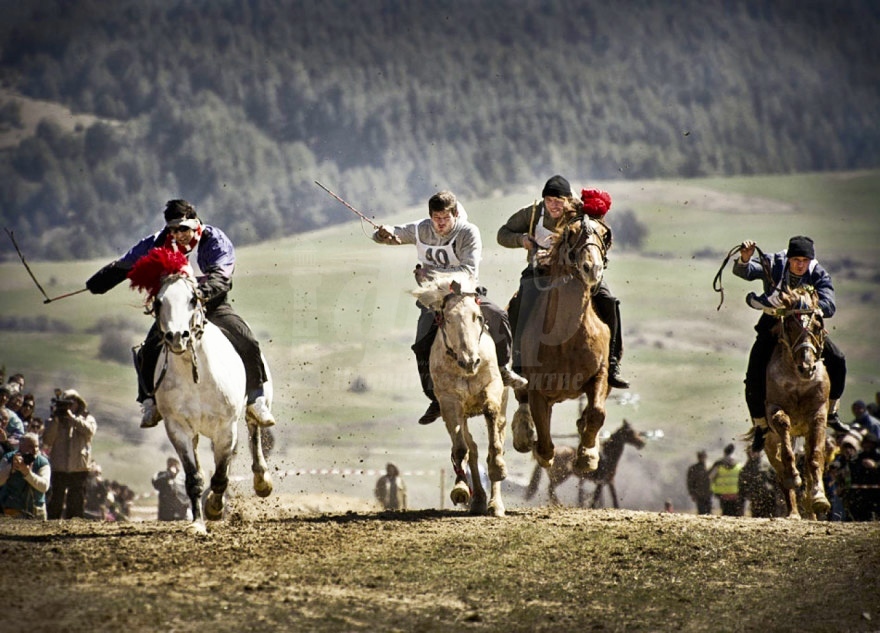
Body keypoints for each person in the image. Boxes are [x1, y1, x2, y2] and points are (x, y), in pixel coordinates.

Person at [85, 199, 274, 429]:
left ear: (195, 224)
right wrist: (99, 282)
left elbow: (221, 278)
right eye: (172, 229)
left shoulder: (214, 241)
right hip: (176, 310)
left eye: (183, 229)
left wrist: (197, 295)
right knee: (148, 350)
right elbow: (127, 263)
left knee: (247, 340)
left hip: (211, 304)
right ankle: (150, 402)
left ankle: (256, 400)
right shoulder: (159, 241)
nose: (177, 234)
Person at [373, 190, 527, 425]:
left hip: (465, 294)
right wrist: (383, 233)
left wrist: (432, 275)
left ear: (455, 214)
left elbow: (468, 270)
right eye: (436, 218)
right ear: (430, 216)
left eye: (445, 218)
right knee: (422, 342)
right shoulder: (421, 228)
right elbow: (392, 234)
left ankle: (504, 368)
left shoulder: (468, 232)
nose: (440, 224)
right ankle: (434, 397)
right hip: (434, 300)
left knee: (497, 315)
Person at [497, 175, 630, 389]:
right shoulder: (532, 213)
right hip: (540, 271)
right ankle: (519, 362)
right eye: (549, 201)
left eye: (558, 201)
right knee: (520, 303)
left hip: (577, 274)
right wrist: (521, 240)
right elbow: (502, 233)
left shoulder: (581, 212)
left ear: (568, 200)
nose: (553, 206)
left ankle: (612, 363)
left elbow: (601, 235)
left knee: (609, 301)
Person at [733, 236, 847, 448]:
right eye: (796, 260)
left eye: (804, 260)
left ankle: (831, 412)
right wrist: (745, 259)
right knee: (754, 371)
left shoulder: (818, 273)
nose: (800, 264)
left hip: (806, 326)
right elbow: (745, 272)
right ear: (789, 258)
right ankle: (760, 425)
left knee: (838, 358)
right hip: (773, 324)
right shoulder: (773, 263)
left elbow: (829, 305)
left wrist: (805, 306)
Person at [42, 389, 96, 519]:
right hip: (59, 466)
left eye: (72, 402)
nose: (70, 406)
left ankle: (74, 525)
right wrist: (55, 420)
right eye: (66, 403)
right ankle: (52, 524)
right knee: (56, 500)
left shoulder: (87, 418)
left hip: (79, 467)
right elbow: (47, 440)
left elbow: (89, 431)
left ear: (79, 403)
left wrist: (72, 419)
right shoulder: (54, 419)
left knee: (76, 502)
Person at [0, 432, 51, 519]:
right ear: (21, 446)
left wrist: (27, 473)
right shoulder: (9, 458)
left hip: (36, 510)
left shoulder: (42, 462)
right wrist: (11, 467)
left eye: (36, 446)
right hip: (13, 510)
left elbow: (44, 487)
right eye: (30, 446)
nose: (34, 450)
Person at [737, 447, 781, 518]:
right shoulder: (745, 469)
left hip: (770, 499)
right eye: (751, 452)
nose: (753, 454)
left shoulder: (767, 467)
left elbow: (776, 483)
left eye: (755, 452)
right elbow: (742, 489)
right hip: (755, 500)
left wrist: (779, 498)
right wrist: (741, 509)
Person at [709, 443, 743, 516]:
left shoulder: (718, 463)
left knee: (726, 513)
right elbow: (743, 478)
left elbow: (711, 476)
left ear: (724, 453)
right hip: (736, 493)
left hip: (723, 493)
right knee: (736, 514)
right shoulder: (738, 464)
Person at [152, 457, 189, 521]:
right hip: (166, 513)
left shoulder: (183, 477)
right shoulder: (161, 475)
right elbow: (155, 483)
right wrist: (168, 475)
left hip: (181, 512)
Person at [685, 449, 713, 515]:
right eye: (701, 456)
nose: (702, 458)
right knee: (702, 512)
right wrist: (692, 493)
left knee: (709, 512)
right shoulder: (693, 468)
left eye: (703, 456)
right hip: (699, 494)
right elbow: (690, 482)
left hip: (708, 493)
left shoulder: (709, 467)